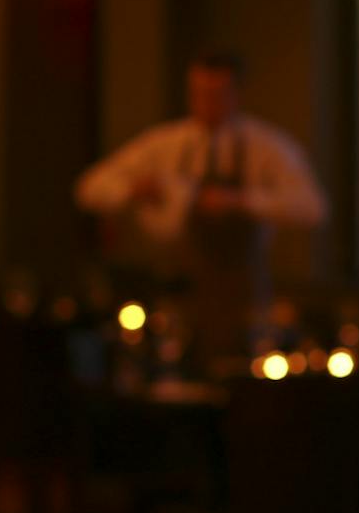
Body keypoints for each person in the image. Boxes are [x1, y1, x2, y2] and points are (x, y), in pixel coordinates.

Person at [74, 51, 326, 364]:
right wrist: (134, 191)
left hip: (243, 299)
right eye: (199, 93)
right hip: (180, 294)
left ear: (237, 94)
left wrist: (241, 202)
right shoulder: (166, 144)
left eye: (216, 94)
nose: (207, 102)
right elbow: (89, 188)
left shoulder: (265, 147)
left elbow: (312, 207)